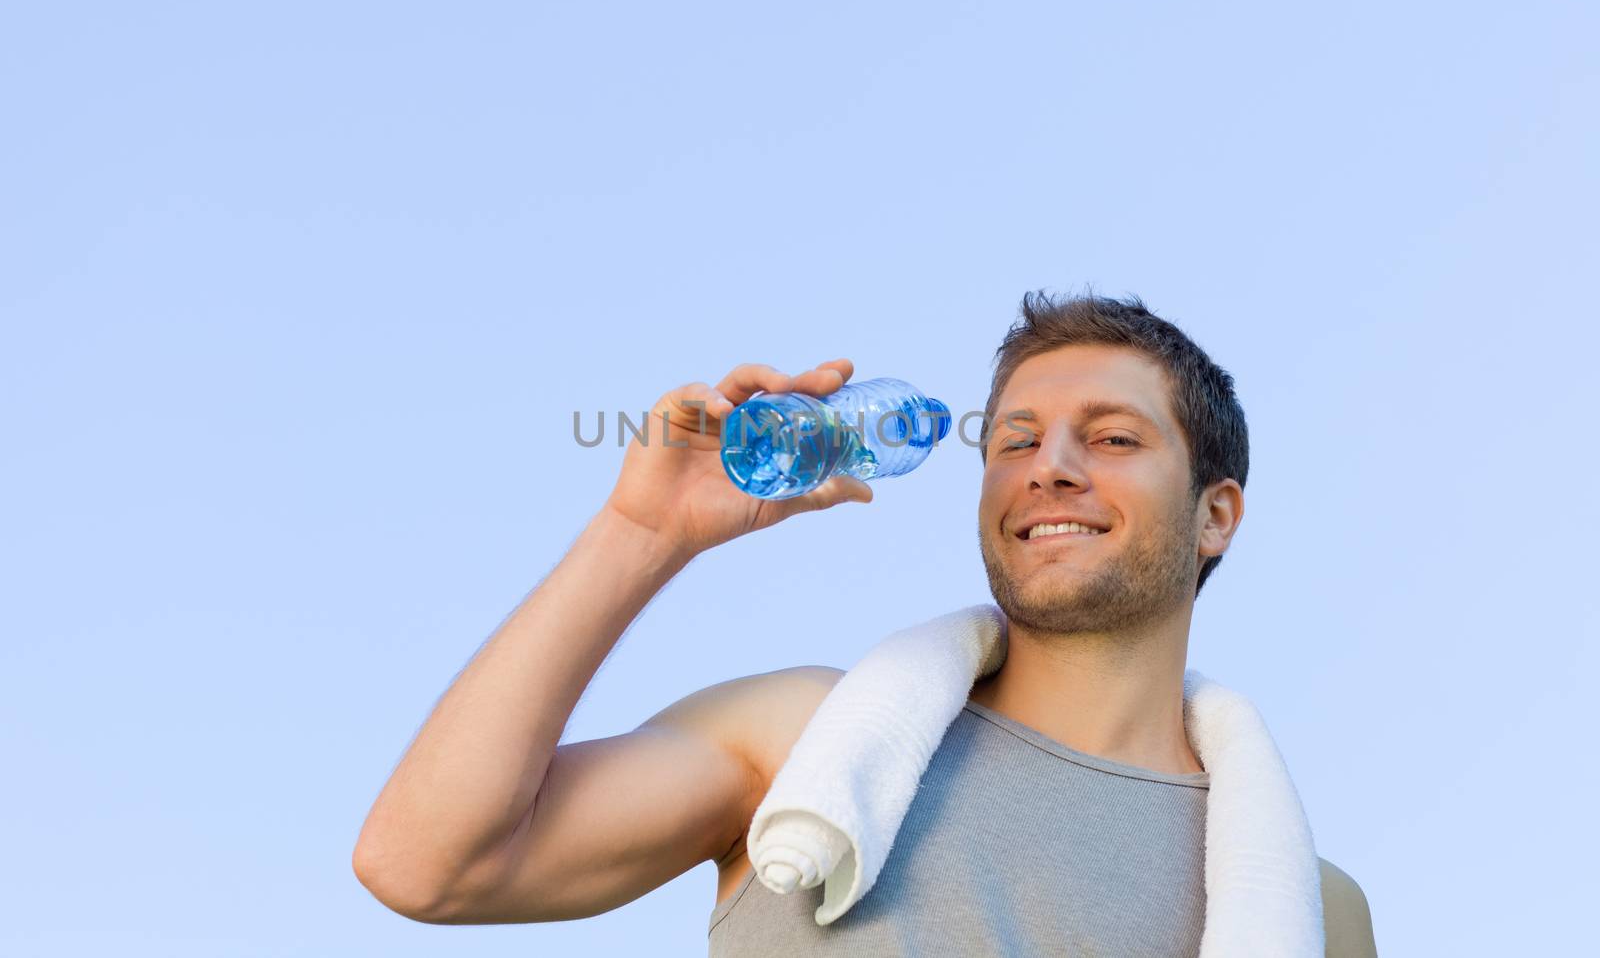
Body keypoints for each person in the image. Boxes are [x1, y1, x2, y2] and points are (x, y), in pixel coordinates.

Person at [353, 289, 1377, 956]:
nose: (1047, 464)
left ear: (1217, 513)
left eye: (1110, 436)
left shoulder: (1311, 909)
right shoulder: (807, 744)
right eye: (1012, 439)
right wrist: (642, 530)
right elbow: (424, 863)